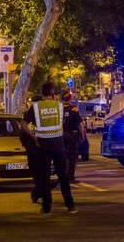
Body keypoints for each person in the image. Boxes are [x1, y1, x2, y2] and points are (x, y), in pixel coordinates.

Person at [21, 82, 77, 215]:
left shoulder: (35, 107)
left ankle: (47, 207)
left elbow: (23, 124)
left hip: (42, 146)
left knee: (44, 177)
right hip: (58, 145)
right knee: (62, 176)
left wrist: (34, 137)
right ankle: (70, 205)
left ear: (42, 94)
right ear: (52, 94)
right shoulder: (59, 106)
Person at [20, 95, 42, 203]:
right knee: (39, 171)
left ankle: (38, 192)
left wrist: (33, 137)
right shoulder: (39, 110)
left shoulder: (32, 110)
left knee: (37, 171)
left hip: (35, 146)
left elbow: (23, 125)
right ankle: (39, 192)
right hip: (39, 146)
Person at [61, 90, 85, 182]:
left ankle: (62, 176)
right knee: (72, 157)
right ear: (70, 98)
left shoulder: (58, 109)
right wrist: (82, 135)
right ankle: (70, 177)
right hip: (72, 136)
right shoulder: (73, 109)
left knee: (63, 157)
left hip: (60, 136)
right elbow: (80, 124)